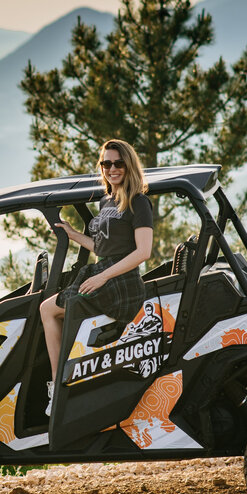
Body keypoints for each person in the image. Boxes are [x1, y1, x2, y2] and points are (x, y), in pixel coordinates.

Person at [39, 139, 154, 415]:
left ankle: (59, 390)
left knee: (50, 309)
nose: (112, 169)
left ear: (128, 165)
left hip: (122, 281)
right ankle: (63, 387)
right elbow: (102, 248)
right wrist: (73, 234)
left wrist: (104, 277)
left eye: (118, 163)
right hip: (103, 271)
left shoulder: (139, 202)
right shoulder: (106, 200)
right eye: (106, 164)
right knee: (48, 309)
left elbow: (143, 252)